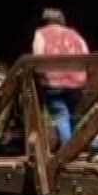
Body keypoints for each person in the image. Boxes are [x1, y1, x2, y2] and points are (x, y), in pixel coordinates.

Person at [33, 8, 89, 147]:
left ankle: (66, 156)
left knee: (61, 117)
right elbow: (86, 54)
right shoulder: (75, 34)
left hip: (54, 81)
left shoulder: (41, 33)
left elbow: (38, 56)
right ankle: (74, 150)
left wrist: (39, 77)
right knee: (72, 117)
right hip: (77, 82)